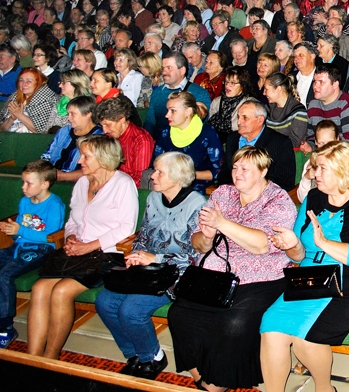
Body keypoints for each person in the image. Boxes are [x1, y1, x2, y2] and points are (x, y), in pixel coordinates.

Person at [260, 141, 349, 392]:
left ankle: (324, 388)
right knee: (271, 326)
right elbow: (299, 254)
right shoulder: (313, 197)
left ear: (342, 171)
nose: (313, 173)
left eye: (321, 169)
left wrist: (324, 242)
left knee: (305, 337)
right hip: (310, 278)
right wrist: (291, 243)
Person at [169, 146, 297, 392]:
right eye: (235, 167)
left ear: (263, 171)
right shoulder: (222, 194)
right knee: (180, 314)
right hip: (216, 277)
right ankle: (203, 376)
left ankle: (218, 382)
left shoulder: (278, 200)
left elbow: (262, 245)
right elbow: (197, 242)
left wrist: (223, 223)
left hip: (263, 279)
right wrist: (206, 238)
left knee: (234, 323)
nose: (237, 172)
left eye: (245, 168)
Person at [95, 152, 206, 379]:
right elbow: (143, 234)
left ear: (177, 178)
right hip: (147, 269)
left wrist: (155, 259)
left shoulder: (197, 204)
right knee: (104, 302)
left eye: (159, 172)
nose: (152, 176)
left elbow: (196, 255)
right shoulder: (154, 198)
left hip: (179, 274)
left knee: (131, 310)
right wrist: (136, 254)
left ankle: (152, 358)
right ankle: (134, 354)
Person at [27, 136, 139, 359]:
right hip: (77, 251)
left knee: (60, 291)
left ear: (104, 158)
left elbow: (127, 228)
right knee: (40, 288)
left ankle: (50, 359)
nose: (80, 161)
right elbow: (73, 221)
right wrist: (71, 237)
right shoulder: (82, 183)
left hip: (107, 254)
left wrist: (89, 246)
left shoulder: (123, 184)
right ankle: (32, 358)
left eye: (86, 156)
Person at [0, 161, 65, 348]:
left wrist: (19, 230)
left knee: (5, 275)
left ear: (44, 184)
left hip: (41, 250)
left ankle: (5, 327)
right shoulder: (24, 202)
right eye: (23, 182)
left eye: (29, 183)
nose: (23, 187)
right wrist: (10, 228)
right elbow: (20, 227)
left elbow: (50, 236)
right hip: (19, 246)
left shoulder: (54, 205)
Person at [152, 91, 222, 196]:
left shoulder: (207, 133)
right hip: (167, 187)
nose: (167, 115)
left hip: (196, 189)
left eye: (173, 111)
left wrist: (184, 176)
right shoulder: (165, 133)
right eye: (168, 110)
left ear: (188, 112)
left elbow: (218, 172)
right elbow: (155, 164)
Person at [218, 100, 296, 193]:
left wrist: (251, 190)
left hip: (264, 197)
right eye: (238, 117)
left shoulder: (280, 143)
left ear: (260, 120)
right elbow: (224, 173)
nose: (239, 122)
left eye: (245, 118)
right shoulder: (232, 139)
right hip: (233, 194)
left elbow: (285, 181)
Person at [304, 63, 349, 154]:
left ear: (335, 84)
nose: (315, 86)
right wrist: (310, 146)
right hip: (326, 156)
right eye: (314, 82)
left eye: (321, 82)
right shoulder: (313, 105)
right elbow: (311, 135)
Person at [143, 54, 211, 139]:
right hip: (161, 143)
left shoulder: (199, 93)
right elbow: (150, 122)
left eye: (169, 68)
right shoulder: (157, 92)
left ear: (182, 70)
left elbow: (202, 125)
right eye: (163, 68)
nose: (164, 72)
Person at [95, 96, 154, 188]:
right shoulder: (108, 137)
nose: (105, 130)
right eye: (102, 125)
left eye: (108, 125)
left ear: (122, 119)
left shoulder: (141, 140)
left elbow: (140, 179)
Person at [41, 96, 104, 181]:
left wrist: (62, 176)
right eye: (68, 114)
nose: (68, 118)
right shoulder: (64, 131)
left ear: (88, 114)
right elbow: (47, 156)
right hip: (52, 177)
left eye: (73, 114)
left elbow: (96, 169)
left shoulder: (100, 136)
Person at [0, 68, 58, 134]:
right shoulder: (14, 97)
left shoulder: (47, 99)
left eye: (28, 81)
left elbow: (41, 131)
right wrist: (11, 118)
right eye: (21, 80)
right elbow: (1, 129)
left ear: (38, 82)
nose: (24, 84)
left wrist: (20, 115)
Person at [207, 66, 255, 144]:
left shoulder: (249, 104)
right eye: (226, 82)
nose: (227, 86)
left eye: (232, 83)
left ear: (242, 85)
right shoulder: (217, 101)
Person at [262, 72, 308, 148]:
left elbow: (294, 142)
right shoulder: (267, 109)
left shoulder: (298, 111)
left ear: (279, 89)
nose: (264, 93)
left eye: (266, 89)